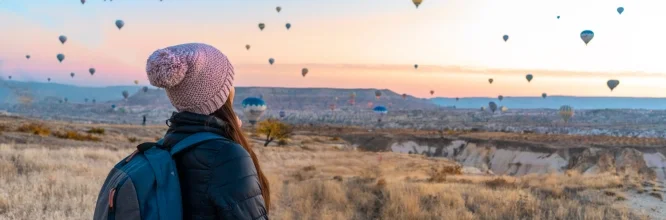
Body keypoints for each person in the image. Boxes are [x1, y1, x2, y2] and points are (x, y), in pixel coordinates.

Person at [146, 43, 270, 219]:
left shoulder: (169, 144)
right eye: (229, 82)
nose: (232, 88)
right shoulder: (226, 155)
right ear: (223, 93)